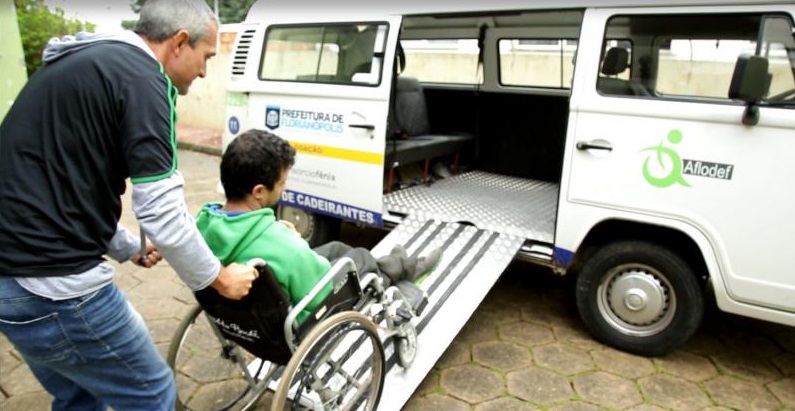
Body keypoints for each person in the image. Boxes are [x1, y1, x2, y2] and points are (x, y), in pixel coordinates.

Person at [0, 0, 258, 409]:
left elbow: (63, 181)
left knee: (78, 394)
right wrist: (219, 279)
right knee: (153, 392)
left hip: (10, 285)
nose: (205, 71)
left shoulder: (86, 63)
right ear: (178, 44)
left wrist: (125, 245)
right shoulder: (145, 80)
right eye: (206, 56)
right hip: (55, 287)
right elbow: (162, 212)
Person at [196, 129, 443, 323]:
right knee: (359, 257)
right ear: (259, 191)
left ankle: (397, 266)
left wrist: (289, 242)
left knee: (335, 247)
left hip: (250, 312)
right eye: (282, 183)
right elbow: (320, 289)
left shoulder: (202, 227)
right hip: (304, 314)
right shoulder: (283, 246)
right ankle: (403, 268)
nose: (285, 188)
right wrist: (295, 244)